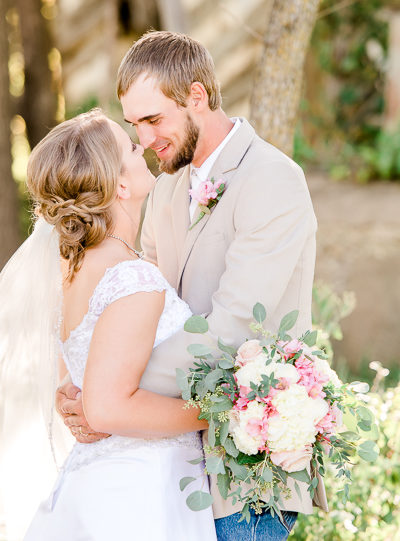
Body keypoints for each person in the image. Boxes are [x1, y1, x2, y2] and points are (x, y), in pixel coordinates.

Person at [57, 31, 329, 540]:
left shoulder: (273, 180)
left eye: (153, 119)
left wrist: (109, 398)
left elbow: (232, 326)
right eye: (134, 124)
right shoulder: (165, 189)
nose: (142, 140)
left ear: (198, 97)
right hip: (170, 470)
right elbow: (143, 310)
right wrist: (95, 384)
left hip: (246, 476)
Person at [0, 109, 217, 541]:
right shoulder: (132, 278)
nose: (144, 148)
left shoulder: (68, 269)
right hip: (139, 495)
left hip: (97, 482)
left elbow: (75, 382)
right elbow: (108, 408)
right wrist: (218, 413)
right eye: (132, 148)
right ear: (120, 184)